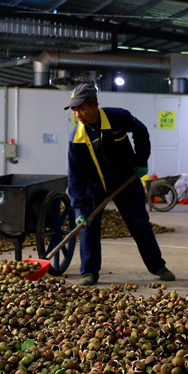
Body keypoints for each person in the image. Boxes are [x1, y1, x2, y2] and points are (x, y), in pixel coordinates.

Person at [65, 82, 174, 287]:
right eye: (74, 110)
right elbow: (75, 177)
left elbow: (141, 132)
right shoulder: (76, 138)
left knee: (139, 224)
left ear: (94, 105)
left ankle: (158, 266)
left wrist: (141, 161)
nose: (78, 114)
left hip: (126, 181)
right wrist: (79, 207)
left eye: (81, 108)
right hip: (94, 187)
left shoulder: (118, 117)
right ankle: (89, 272)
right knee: (88, 227)